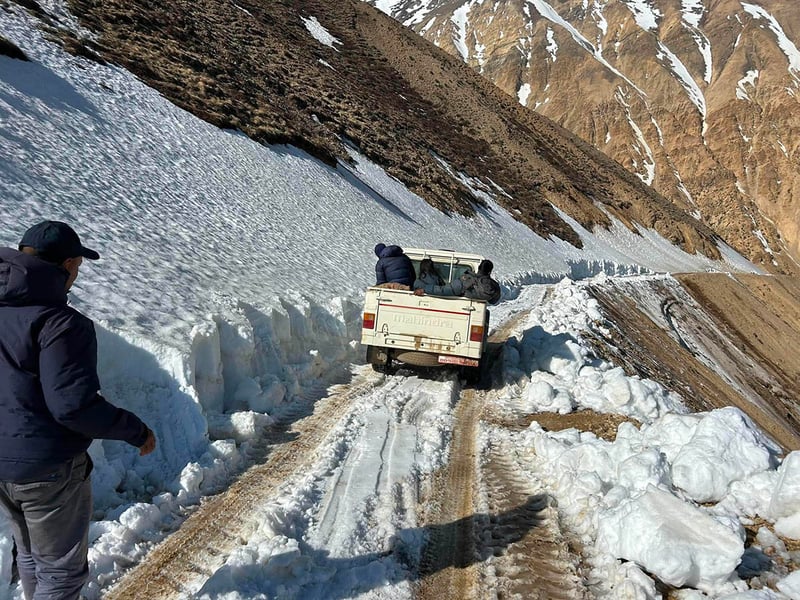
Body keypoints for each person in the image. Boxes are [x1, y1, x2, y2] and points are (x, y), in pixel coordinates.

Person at [0, 221, 156, 600]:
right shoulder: (60, 323)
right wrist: (137, 432)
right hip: (48, 469)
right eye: (79, 266)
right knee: (61, 574)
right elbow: (73, 406)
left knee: (31, 556)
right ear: (68, 264)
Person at [414, 258, 502, 305]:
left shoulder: (466, 280)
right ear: (490, 272)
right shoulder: (494, 286)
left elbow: (443, 290)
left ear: (479, 268)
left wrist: (424, 289)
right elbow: (494, 302)